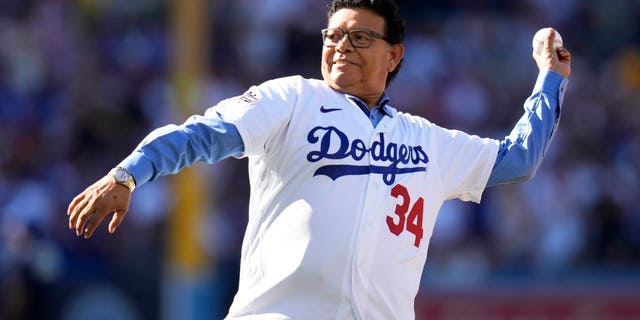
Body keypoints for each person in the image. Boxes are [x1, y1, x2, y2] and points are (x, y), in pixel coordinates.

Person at [67, 0, 572, 318]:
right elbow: (203, 134)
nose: (341, 47)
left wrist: (550, 79)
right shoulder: (293, 100)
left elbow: (517, 159)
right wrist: (129, 174)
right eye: (333, 36)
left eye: (360, 37)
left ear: (393, 55)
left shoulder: (427, 140)